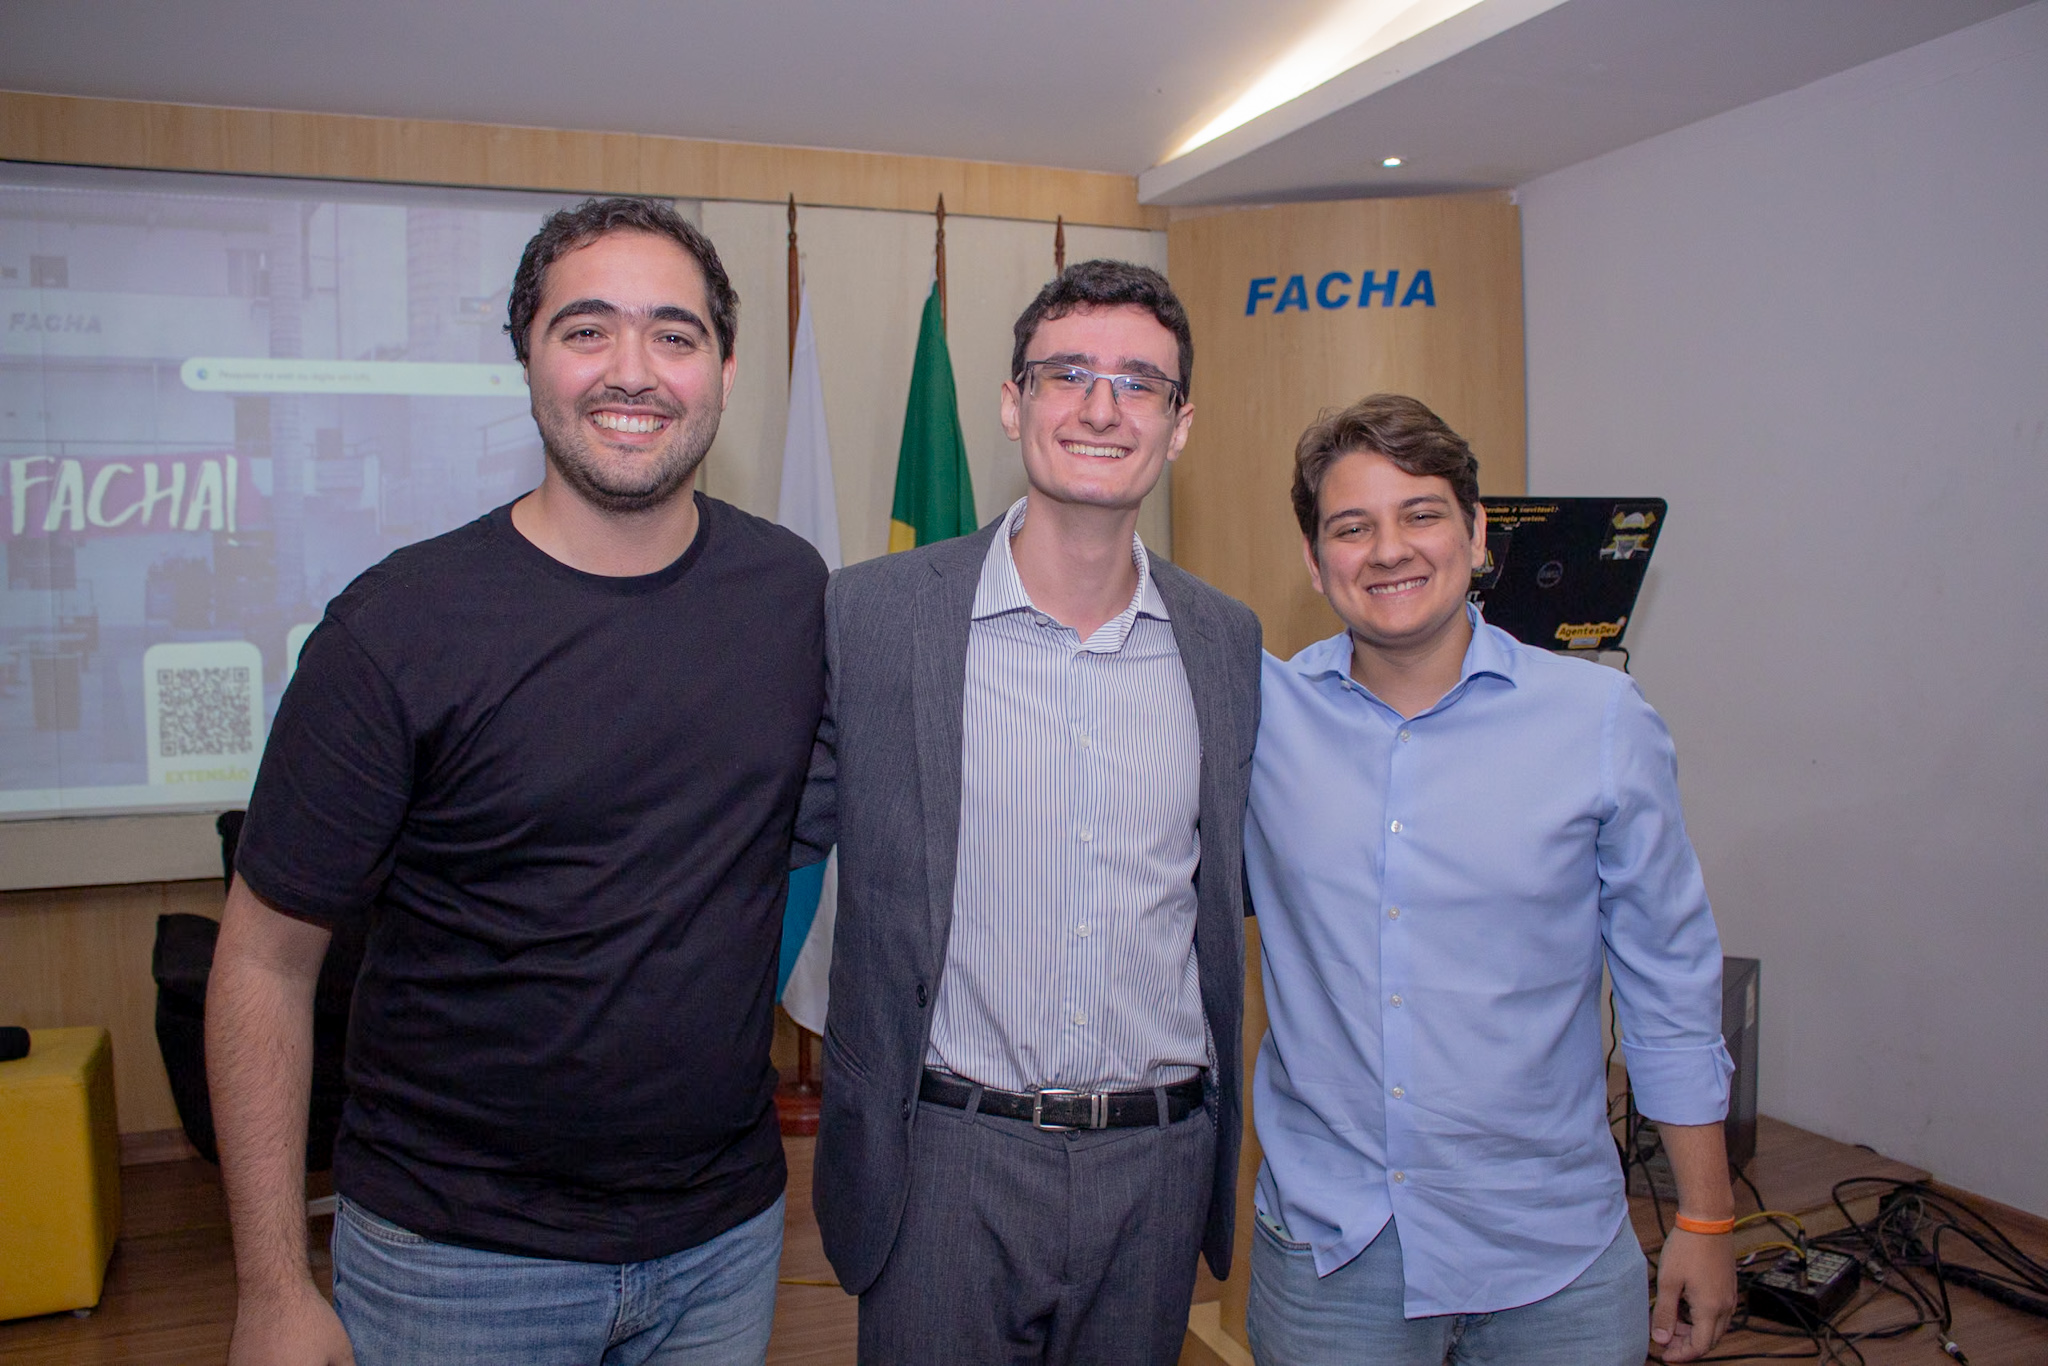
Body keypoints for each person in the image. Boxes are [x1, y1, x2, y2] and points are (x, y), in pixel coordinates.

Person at [206, 197, 826, 1366]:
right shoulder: (395, 628)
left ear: (726, 371)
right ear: (527, 358)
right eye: (586, 329)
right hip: (454, 1262)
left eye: (674, 335)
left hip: (726, 1241)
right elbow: (260, 962)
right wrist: (271, 1286)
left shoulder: (791, 593)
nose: (632, 371)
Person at [794, 260, 1261, 1364]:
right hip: (943, 1156)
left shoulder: (1223, 640)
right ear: (1012, 404)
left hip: (1155, 1161)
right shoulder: (873, 616)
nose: (1102, 406)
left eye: (1138, 383)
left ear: (1178, 423)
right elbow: (757, 834)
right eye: (1068, 373)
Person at [1244, 394, 1737, 1365]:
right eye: (1351, 526)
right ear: (1313, 560)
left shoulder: (1597, 719)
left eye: (1419, 514)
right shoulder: (1260, 718)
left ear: (1475, 535)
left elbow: (1667, 980)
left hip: (1550, 1257)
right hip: (1331, 1260)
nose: (1387, 549)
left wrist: (1706, 1218)